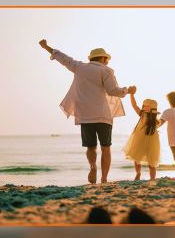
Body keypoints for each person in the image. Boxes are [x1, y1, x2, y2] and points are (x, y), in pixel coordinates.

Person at [38, 39, 136, 184]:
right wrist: (127, 90)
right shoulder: (106, 71)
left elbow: (63, 58)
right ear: (102, 58)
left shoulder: (79, 67)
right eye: (106, 59)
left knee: (91, 147)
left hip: (85, 115)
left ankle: (92, 166)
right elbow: (112, 91)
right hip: (103, 115)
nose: (107, 62)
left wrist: (46, 47)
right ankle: (103, 178)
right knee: (106, 148)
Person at [123, 95, 161, 180]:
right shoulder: (156, 121)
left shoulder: (142, 115)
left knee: (137, 157)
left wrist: (132, 95)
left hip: (140, 138)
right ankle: (152, 178)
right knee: (152, 161)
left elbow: (134, 105)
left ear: (144, 108)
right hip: (153, 141)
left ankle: (138, 173)